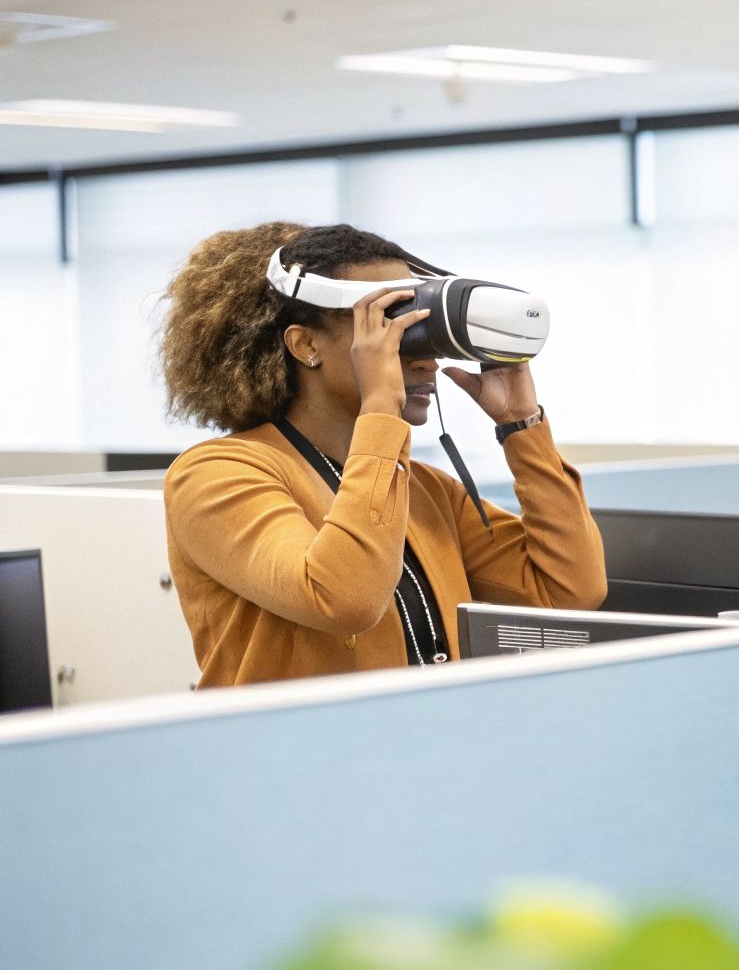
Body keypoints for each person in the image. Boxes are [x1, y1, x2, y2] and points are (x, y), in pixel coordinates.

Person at [157, 221, 607, 685]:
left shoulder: (425, 490)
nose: (426, 360)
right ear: (306, 344)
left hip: (430, 728)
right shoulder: (215, 476)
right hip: (293, 734)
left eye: (419, 328)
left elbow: (567, 592)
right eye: (391, 326)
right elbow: (344, 599)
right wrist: (381, 407)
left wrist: (521, 423)